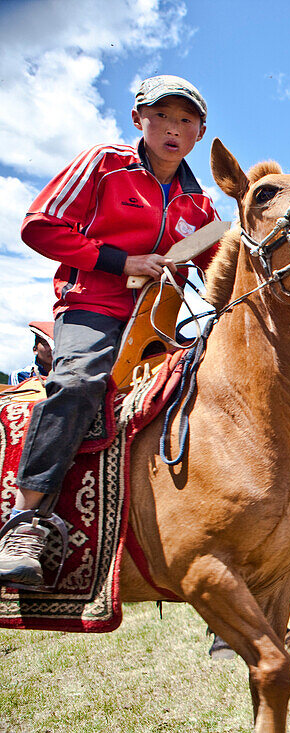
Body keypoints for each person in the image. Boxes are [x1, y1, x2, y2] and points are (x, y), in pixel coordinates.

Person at [0, 75, 220, 586]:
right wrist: (123, 263)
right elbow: (40, 225)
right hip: (92, 307)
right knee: (77, 381)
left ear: (200, 132)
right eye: (161, 116)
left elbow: (218, 272)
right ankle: (25, 522)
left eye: (185, 120)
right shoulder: (105, 164)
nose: (172, 128)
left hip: (162, 323)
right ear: (138, 119)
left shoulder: (200, 206)